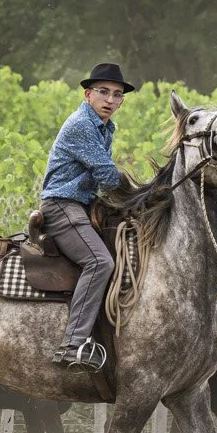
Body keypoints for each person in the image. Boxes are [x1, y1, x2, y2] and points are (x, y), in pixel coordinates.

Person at [36, 61, 132, 370]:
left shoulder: (107, 126)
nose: (110, 100)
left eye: (117, 95)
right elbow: (105, 173)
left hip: (83, 206)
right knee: (100, 261)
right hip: (62, 206)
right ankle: (72, 344)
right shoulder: (81, 124)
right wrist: (145, 191)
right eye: (103, 92)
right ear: (88, 94)